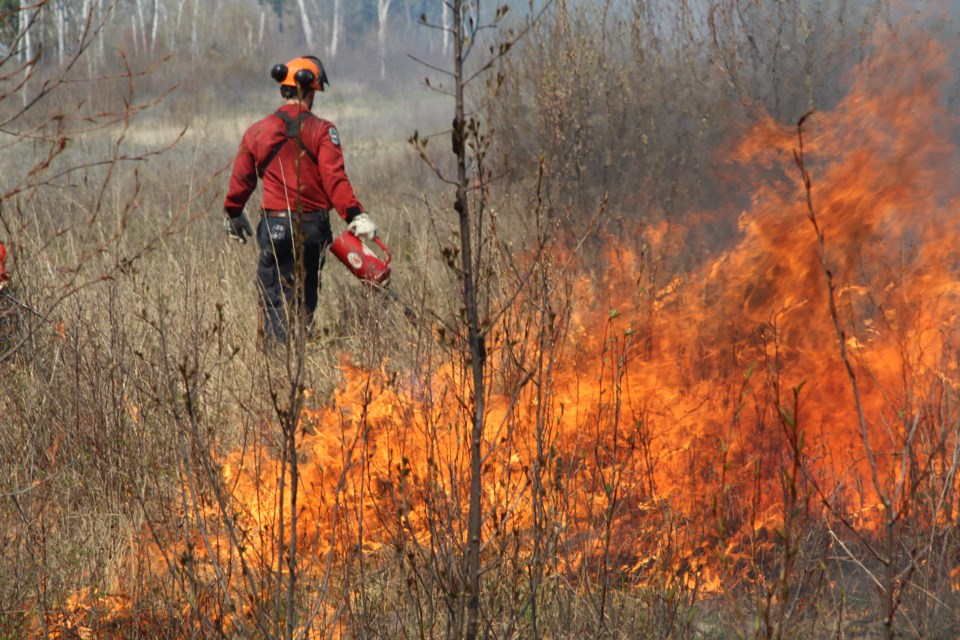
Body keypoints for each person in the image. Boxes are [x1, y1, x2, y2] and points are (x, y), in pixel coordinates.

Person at [223, 55, 377, 343]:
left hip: (275, 227)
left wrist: (233, 212)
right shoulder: (322, 130)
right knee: (304, 300)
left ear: (283, 90)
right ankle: (299, 356)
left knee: (274, 298)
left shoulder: (257, 131)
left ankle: (278, 362)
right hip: (314, 229)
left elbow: (241, 179)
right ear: (310, 91)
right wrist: (355, 215)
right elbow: (335, 180)